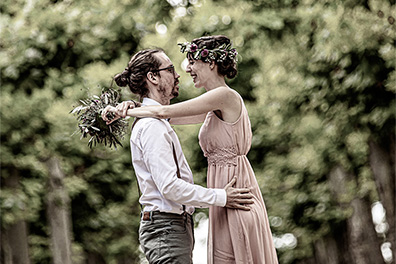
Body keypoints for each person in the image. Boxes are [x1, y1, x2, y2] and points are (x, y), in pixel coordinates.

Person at [103, 35, 279, 264]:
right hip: (222, 196)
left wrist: (123, 111)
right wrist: (136, 105)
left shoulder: (224, 96)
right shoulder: (209, 106)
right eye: (175, 67)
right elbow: (166, 115)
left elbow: (162, 113)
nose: (186, 70)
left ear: (211, 63)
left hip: (234, 192)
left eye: (192, 62)